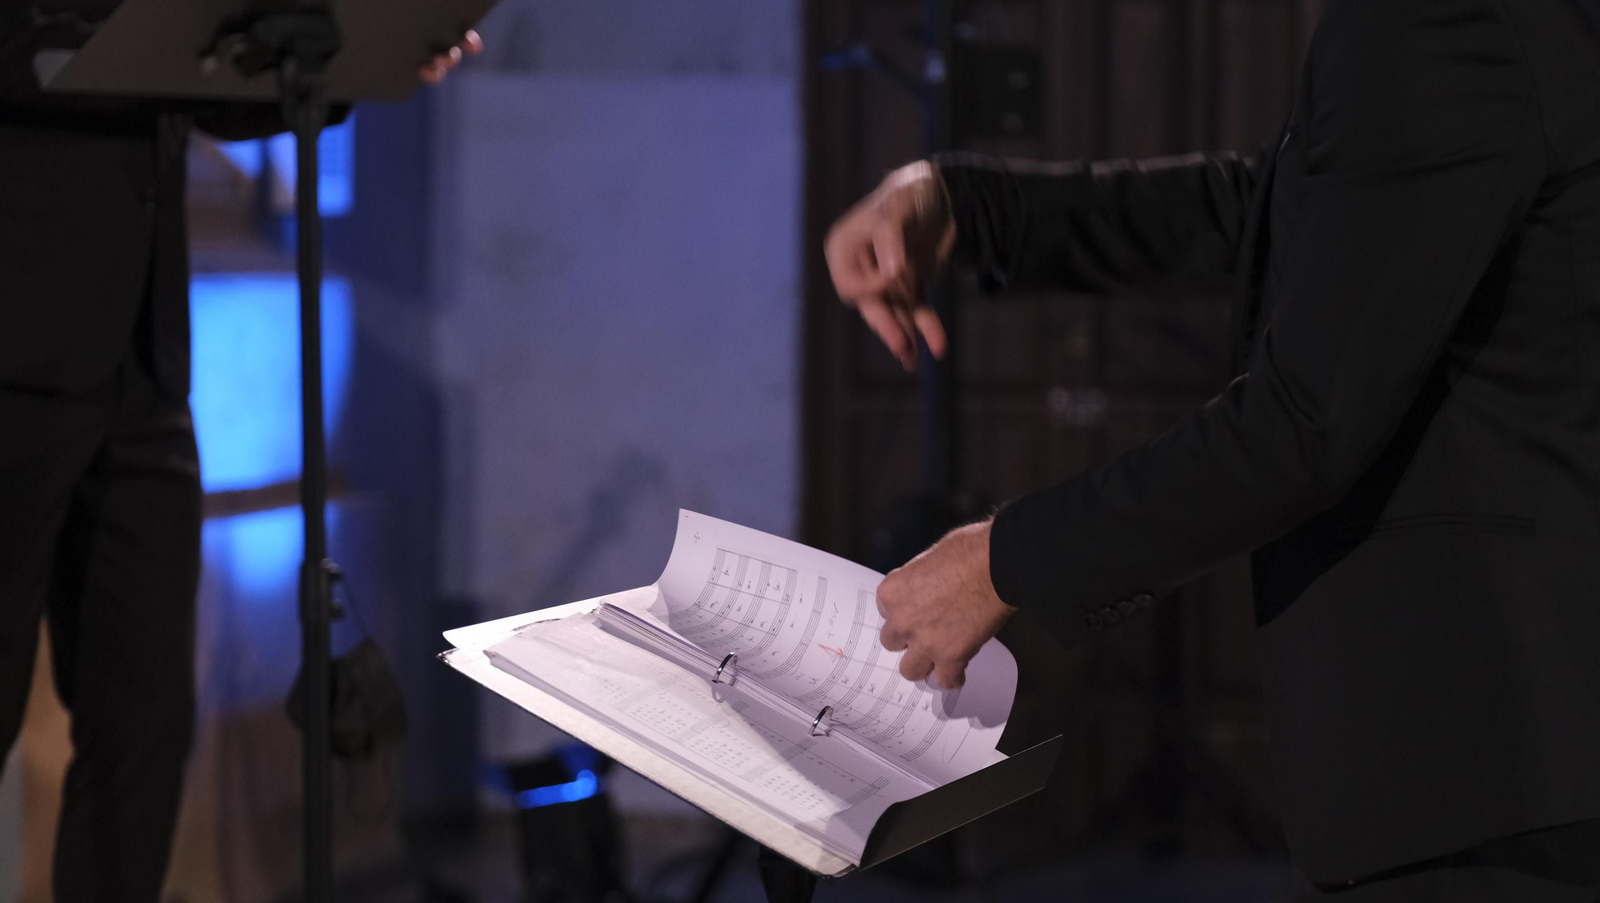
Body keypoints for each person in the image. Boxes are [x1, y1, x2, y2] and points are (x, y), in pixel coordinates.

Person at [826, 0, 1600, 898]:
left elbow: (1300, 425)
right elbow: (1287, 205)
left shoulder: (1441, 21)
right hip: (1498, 755)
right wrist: (971, 208)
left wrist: (1005, 562)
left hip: (1491, 763)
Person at [0, 5, 478, 901]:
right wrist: (119, 43)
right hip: (16, 343)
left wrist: (362, 58)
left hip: (144, 358)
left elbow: (201, 88)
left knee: (143, 721)